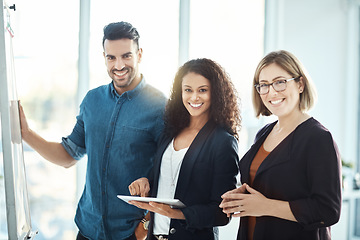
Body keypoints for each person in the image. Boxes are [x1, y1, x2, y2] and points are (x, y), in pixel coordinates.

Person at [19, 21, 166, 240]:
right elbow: (68, 155)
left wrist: (144, 227)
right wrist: (26, 134)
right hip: (87, 229)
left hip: (129, 233)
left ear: (140, 54)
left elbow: (170, 174)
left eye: (126, 56)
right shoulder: (92, 101)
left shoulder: (160, 106)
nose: (119, 65)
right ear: (104, 57)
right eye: (111, 57)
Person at [220, 50, 342, 240]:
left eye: (280, 82)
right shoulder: (264, 133)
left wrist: (265, 206)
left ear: (300, 84)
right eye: (264, 85)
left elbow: (328, 210)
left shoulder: (318, 138)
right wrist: (241, 195)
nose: (272, 92)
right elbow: (274, 182)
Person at [127, 58, 241, 240]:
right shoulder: (169, 132)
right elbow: (163, 179)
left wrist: (178, 214)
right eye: (188, 90)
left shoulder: (223, 142)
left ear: (216, 94)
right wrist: (146, 182)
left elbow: (222, 212)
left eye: (202, 90)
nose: (194, 97)